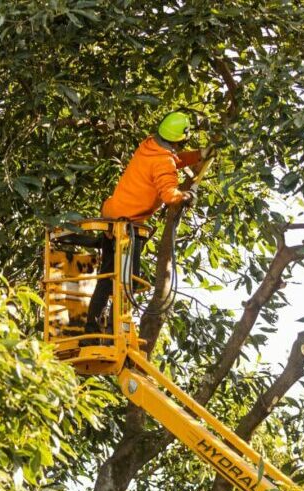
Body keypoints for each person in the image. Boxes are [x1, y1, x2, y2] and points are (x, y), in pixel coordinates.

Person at [83, 111, 213, 338]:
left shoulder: (149, 147)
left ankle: (92, 329)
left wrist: (198, 155)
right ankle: (117, 331)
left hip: (112, 217)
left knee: (107, 278)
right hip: (127, 226)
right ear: (179, 138)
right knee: (127, 280)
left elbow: (173, 160)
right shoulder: (163, 161)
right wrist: (188, 196)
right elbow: (170, 195)